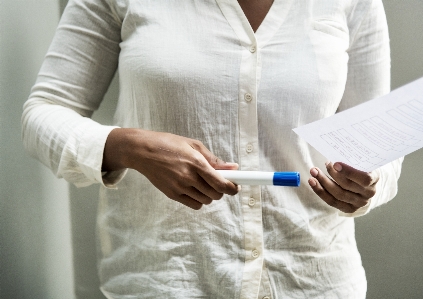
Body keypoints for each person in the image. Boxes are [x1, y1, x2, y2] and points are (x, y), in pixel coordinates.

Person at [22, 0, 403, 298]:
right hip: (169, 280)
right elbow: (42, 115)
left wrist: (369, 184)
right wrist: (131, 147)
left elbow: (379, 143)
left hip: (314, 281)